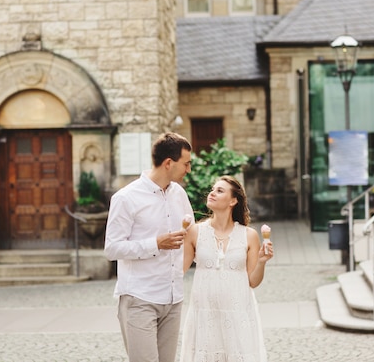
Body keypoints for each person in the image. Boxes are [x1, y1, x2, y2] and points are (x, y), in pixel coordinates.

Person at [104, 132, 194, 362]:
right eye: (186, 164)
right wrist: (155, 244)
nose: (189, 170)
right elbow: (112, 248)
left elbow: (192, 235)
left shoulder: (179, 194)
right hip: (140, 298)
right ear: (168, 163)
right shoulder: (126, 198)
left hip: (173, 299)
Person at [181, 175, 274, 362]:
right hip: (204, 315)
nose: (212, 193)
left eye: (220, 190)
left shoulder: (249, 235)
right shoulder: (194, 232)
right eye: (213, 189)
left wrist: (262, 261)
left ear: (233, 201)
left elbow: (253, 281)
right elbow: (178, 271)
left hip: (238, 315)